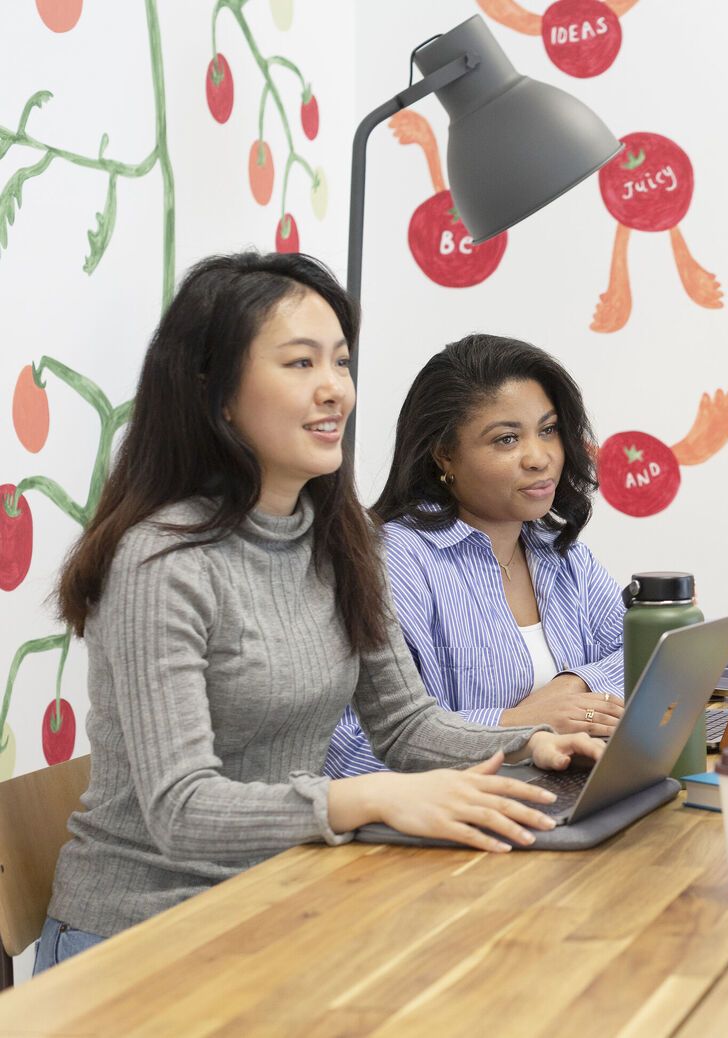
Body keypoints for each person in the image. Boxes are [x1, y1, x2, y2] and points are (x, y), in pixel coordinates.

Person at [37, 254, 601, 973]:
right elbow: (180, 810)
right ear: (216, 394)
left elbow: (404, 724)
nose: (335, 388)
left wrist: (533, 743)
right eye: (301, 364)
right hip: (138, 938)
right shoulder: (162, 562)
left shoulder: (341, 538)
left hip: (279, 902)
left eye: (340, 362)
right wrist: (369, 798)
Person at [325, 336, 626, 778]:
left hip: (555, 791)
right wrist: (519, 727)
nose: (540, 458)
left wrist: (575, 684)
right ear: (444, 454)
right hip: (449, 825)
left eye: (548, 430)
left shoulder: (557, 549)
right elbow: (352, 749)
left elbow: (639, 655)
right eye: (507, 439)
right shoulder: (395, 561)